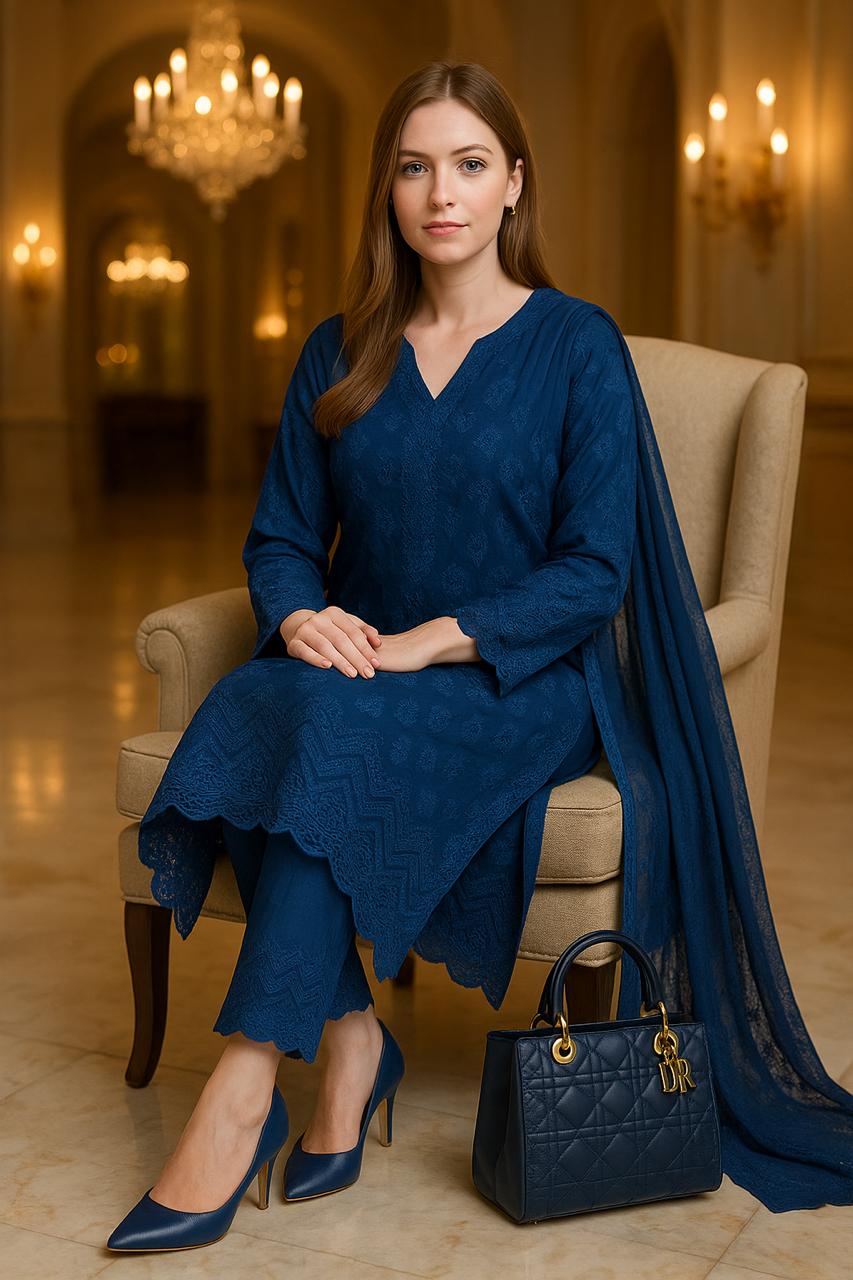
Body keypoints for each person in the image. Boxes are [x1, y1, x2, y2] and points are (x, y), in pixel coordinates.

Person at [107, 60, 853, 1253]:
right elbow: (284, 538)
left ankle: (244, 1081)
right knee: (258, 702)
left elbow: (592, 570)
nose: (438, 194)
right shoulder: (338, 347)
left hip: (525, 678)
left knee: (326, 731)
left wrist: (428, 644)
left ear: (514, 184)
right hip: (361, 661)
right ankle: (352, 1047)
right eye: (413, 167)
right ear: (388, 190)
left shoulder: (575, 346)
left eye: (466, 165)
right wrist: (301, 616)